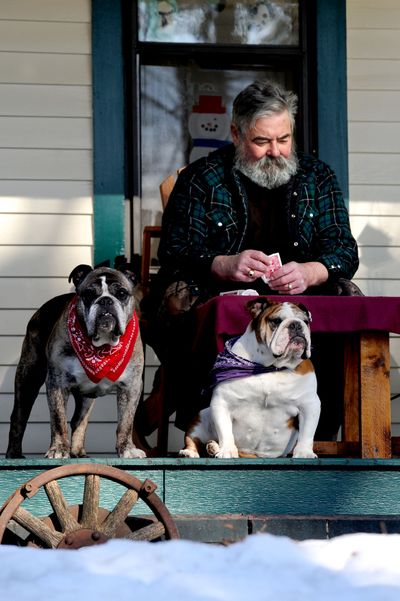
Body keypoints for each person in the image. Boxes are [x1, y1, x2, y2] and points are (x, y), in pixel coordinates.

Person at [140, 79, 360, 442]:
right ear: (236, 134)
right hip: (221, 294)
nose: (275, 151)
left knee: (348, 294)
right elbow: (175, 248)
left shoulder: (318, 177)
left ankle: (325, 432)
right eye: (262, 141)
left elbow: (344, 250)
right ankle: (211, 431)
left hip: (302, 300)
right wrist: (223, 264)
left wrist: (312, 270)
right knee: (179, 299)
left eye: (284, 139)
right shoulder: (202, 179)